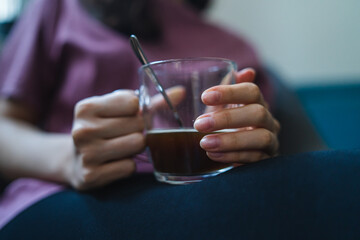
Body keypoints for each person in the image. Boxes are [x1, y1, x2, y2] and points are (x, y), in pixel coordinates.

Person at [0, 0, 279, 230]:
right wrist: (68, 160)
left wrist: (257, 144)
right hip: (64, 196)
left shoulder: (237, 48)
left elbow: (260, 143)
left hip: (214, 197)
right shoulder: (62, 6)